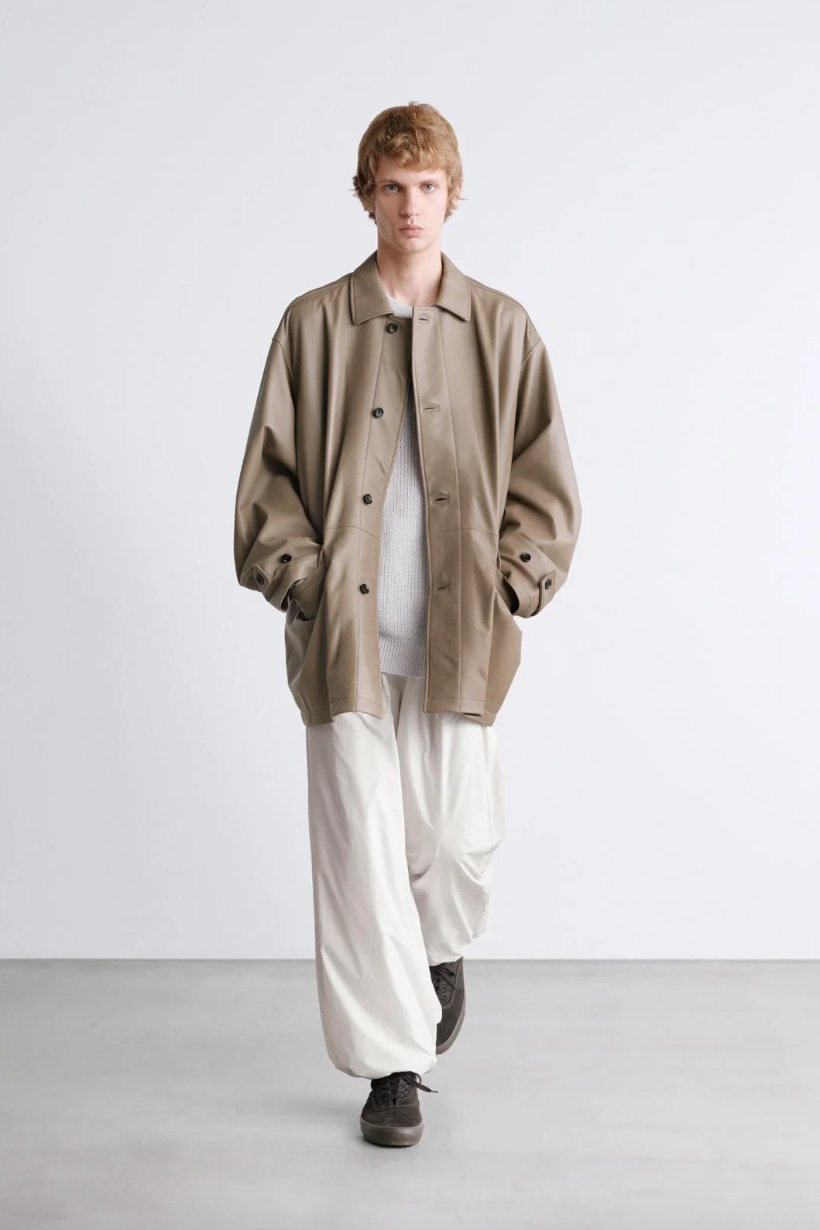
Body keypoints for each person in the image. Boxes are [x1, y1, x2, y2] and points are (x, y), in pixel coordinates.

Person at [233, 101, 582, 1147]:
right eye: (392, 188)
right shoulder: (312, 326)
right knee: (361, 861)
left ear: (453, 195)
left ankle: (439, 951)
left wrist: (512, 585)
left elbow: (545, 481)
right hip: (344, 645)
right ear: (366, 196)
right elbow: (267, 482)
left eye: (427, 187)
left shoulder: (503, 329)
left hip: (456, 643)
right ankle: (393, 1067)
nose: (410, 207)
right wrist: (302, 581)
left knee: (454, 843)